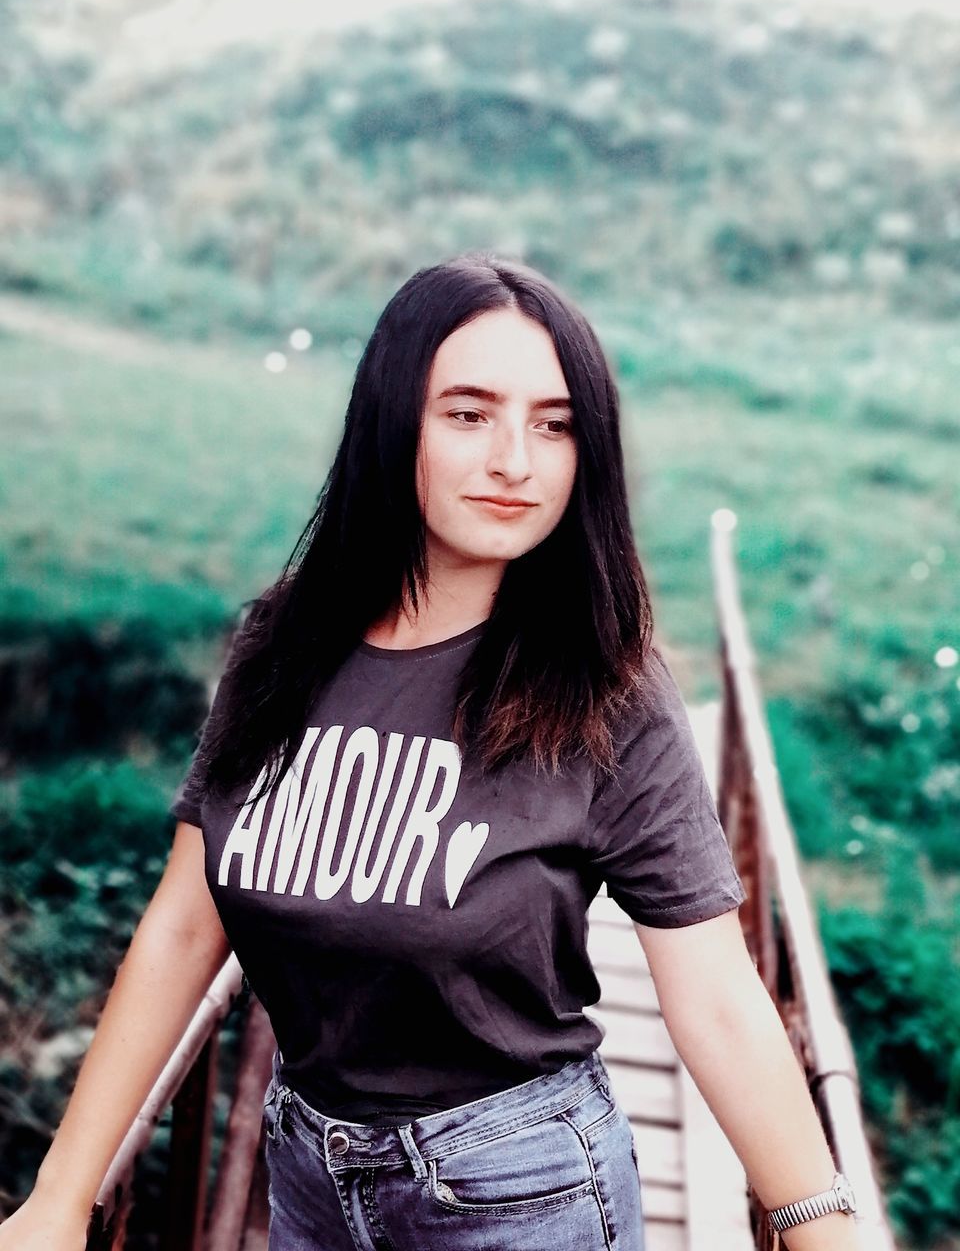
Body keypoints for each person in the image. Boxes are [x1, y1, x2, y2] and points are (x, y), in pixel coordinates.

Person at [2, 252, 860, 1251]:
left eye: (555, 423)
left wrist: (818, 1220)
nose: (515, 460)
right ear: (393, 421)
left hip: (521, 1189)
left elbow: (713, 991)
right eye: (468, 413)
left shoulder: (603, 687)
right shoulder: (282, 646)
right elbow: (185, 926)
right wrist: (62, 1196)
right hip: (309, 1174)